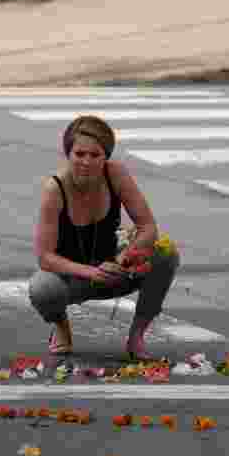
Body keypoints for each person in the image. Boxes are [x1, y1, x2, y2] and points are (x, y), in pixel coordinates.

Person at [30, 115, 180, 360]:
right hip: (74, 277)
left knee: (166, 253)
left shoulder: (116, 174)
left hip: (116, 269)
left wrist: (124, 259)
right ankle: (61, 327)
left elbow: (148, 227)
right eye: (79, 154)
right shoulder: (54, 188)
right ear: (68, 154)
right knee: (42, 287)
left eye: (95, 155)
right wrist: (91, 272)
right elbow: (45, 258)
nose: (86, 162)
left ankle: (136, 336)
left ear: (106, 156)